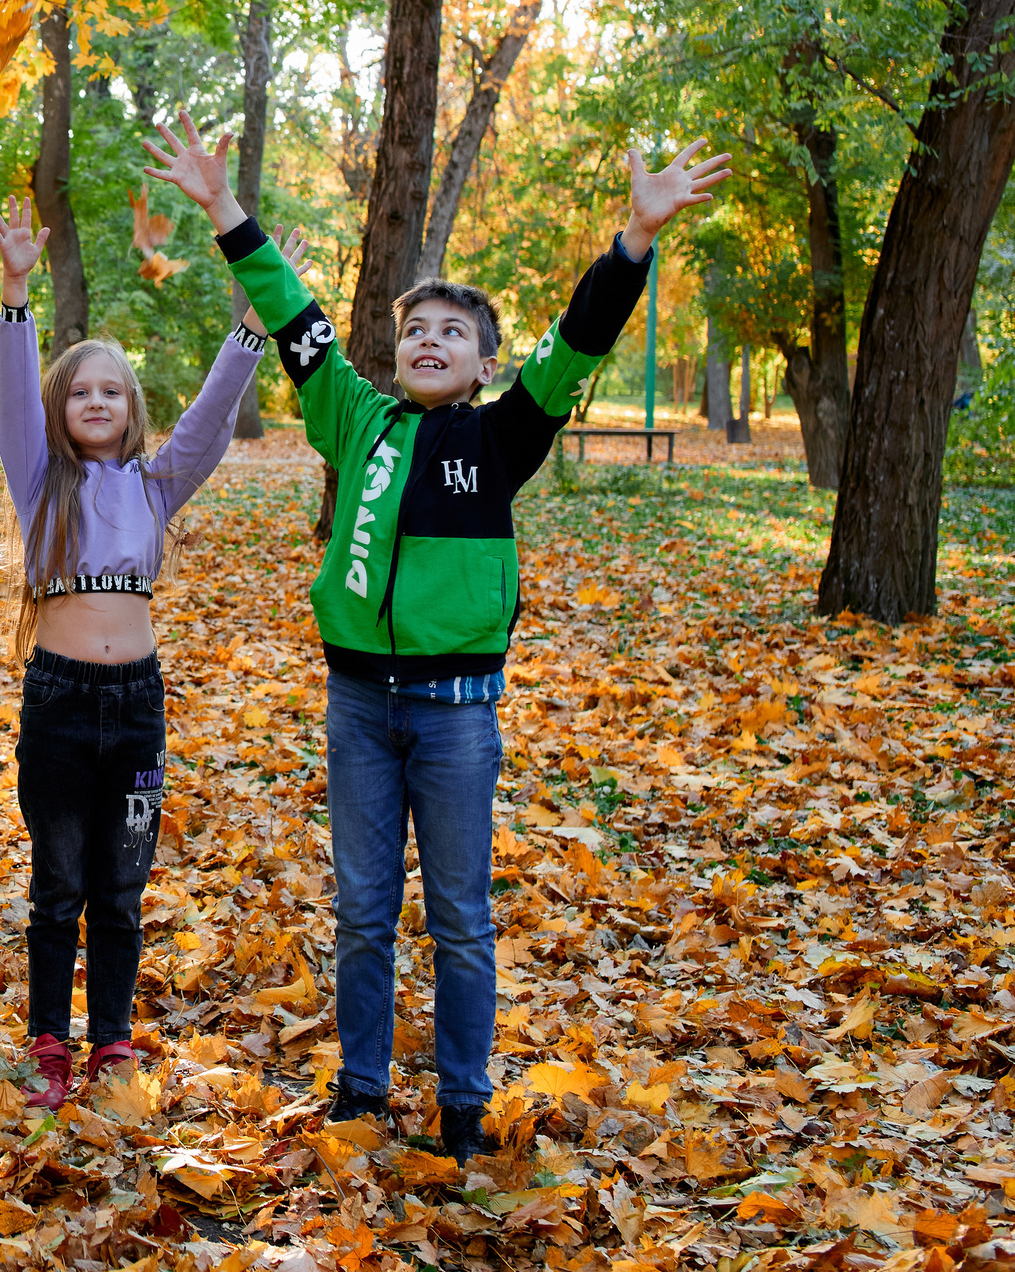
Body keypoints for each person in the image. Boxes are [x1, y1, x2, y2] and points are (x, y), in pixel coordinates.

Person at [143, 116, 729, 1164]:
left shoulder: (501, 434)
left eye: (452, 335)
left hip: (457, 716)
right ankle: (361, 1091)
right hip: (359, 706)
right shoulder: (351, 419)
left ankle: (462, 1099)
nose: (428, 342)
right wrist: (224, 210)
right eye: (416, 330)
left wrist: (633, 241)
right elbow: (294, 315)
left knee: (458, 917)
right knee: (364, 912)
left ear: (483, 362)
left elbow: (580, 337)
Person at [0, 194, 269, 1107]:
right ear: (61, 409)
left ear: (131, 408)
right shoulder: (40, 482)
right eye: (80, 390)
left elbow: (212, 419)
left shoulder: (158, 486)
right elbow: (13, 401)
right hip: (59, 705)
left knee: (120, 884)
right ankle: (46, 1044)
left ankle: (112, 1042)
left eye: (112, 390)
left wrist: (252, 330)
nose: (95, 401)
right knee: (59, 881)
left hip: (137, 710)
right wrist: (19, 288)